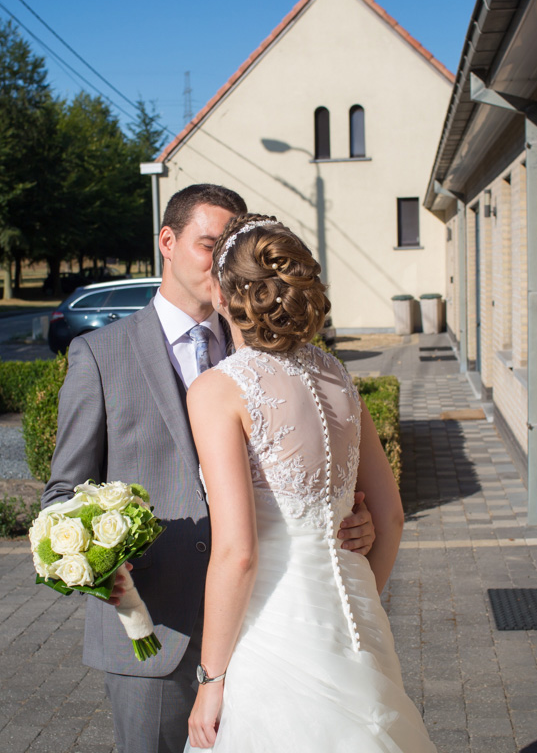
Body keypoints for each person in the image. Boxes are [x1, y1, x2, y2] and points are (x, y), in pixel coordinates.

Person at [41, 185, 377, 753]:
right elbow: (62, 494)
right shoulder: (99, 355)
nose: (222, 264)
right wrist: (93, 559)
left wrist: (354, 523)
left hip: (266, 628)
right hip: (156, 629)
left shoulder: (264, 353)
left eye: (230, 249)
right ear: (167, 242)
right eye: (208, 246)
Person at [183, 215, 436, 752]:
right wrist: (360, 598)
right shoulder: (337, 375)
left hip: (273, 636)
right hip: (356, 624)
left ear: (223, 296)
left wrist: (210, 679)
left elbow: (237, 553)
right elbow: (391, 518)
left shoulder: (218, 390)